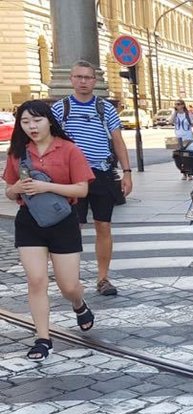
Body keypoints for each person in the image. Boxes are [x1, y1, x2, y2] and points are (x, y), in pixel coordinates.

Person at [3, 100, 96, 361]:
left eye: (37, 120)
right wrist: (16, 190)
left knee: (68, 286)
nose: (32, 126)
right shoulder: (17, 152)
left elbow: (81, 189)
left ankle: (79, 304)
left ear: (49, 121)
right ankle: (43, 339)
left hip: (62, 221)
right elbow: (10, 190)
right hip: (29, 221)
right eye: (25, 122)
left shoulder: (68, 150)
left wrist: (47, 187)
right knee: (36, 280)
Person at [51, 60, 133, 297]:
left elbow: (118, 140)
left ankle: (103, 278)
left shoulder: (105, 108)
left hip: (101, 173)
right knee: (71, 227)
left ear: (94, 81)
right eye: (79, 77)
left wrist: (127, 173)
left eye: (88, 77)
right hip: (71, 177)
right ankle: (71, 277)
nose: (83, 81)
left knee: (103, 225)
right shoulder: (60, 108)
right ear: (72, 80)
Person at [171, 99, 193, 181]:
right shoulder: (175, 114)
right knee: (179, 156)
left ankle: (189, 174)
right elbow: (170, 121)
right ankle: (184, 173)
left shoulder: (188, 114)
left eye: (178, 104)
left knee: (187, 156)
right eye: (175, 104)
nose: (176, 106)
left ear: (182, 105)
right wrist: (175, 112)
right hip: (178, 137)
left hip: (187, 137)